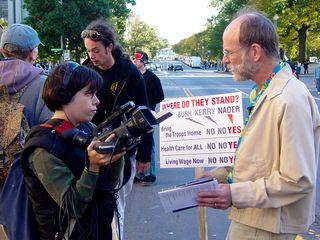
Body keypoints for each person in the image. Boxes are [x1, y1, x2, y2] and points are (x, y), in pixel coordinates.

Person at [196, 10, 320, 239]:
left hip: (268, 227)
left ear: (254, 51)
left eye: (228, 52)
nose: (224, 59)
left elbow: (297, 180)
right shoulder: (265, 91)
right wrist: (218, 177)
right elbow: (259, 160)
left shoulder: (289, 98)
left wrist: (234, 194)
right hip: (256, 220)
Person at [21, 62, 126, 239]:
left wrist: (117, 154)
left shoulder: (87, 127)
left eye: (96, 93)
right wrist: (92, 167)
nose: (97, 100)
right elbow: (73, 207)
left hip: (97, 230)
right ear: (64, 95)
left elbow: (108, 185)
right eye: (89, 93)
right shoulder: (42, 147)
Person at [81, 19, 152, 239]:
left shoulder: (129, 72)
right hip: (91, 146)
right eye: (88, 51)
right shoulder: (84, 71)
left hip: (123, 149)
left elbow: (144, 113)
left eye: (96, 50)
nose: (92, 55)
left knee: (116, 203)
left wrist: (144, 154)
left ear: (109, 47)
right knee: (94, 204)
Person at [132, 50, 164, 185]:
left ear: (143, 62)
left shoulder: (151, 78)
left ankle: (150, 174)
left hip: (148, 115)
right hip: (133, 115)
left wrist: (150, 105)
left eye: (137, 60)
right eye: (133, 59)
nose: (134, 62)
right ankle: (138, 174)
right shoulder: (132, 76)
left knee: (148, 144)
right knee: (135, 144)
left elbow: (160, 96)